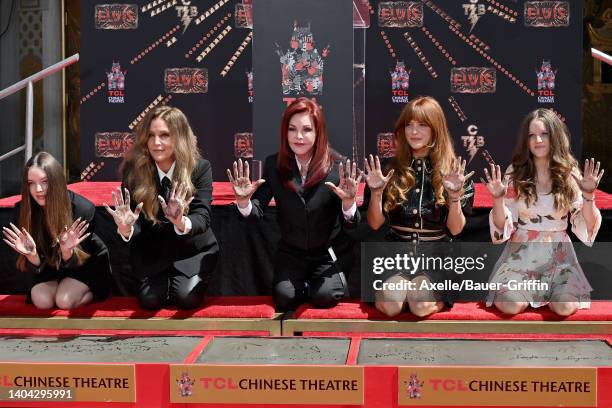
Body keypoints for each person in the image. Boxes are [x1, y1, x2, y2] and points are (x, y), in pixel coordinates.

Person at [227, 97, 361, 311]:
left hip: (327, 254)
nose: (298, 136)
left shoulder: (338, 168)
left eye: (307, 130)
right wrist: (244, 202)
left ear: (319, 133)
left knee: (325, 297)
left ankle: (315, 288)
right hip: (291, 254)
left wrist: (348, 203)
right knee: (284, 298)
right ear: (284, 132)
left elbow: (352, 225)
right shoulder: (274, 164)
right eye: (292, 129)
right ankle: (304, 287)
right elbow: (256, 212)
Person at [483, 108, 603, 316]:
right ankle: (526, 293)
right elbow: (502, 228)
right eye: (532, 135)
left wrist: (589, 196)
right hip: (520, 258)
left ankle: (550, 293)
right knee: (510, 305)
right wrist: (498, 199)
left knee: (564, 307)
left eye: (544, 134)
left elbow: (587, 227)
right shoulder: (515, 172)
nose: (538, 139)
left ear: (555, 136)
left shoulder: (570, 173)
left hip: (559, 258)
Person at [363, 96, 474, 317]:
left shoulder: (454, 172)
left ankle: (433, 297)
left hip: (436, 259)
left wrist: (454, 196)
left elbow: (455, 229)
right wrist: (376, 193)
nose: (414, 131)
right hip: (395, 257)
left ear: (436, 129)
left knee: (420, 303)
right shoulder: (388, 169)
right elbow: (375, 224)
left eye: (422, 125)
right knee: (392, 305)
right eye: (409, 125)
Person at [105, 106, 219, 310]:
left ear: (179, 137)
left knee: (186, 299)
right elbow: (135, 221)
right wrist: (126, 229)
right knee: (150, 302)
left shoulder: (200, 168)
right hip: (152, 255)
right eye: (151, 136)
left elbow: (203, 218)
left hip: (191, 252)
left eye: (165, 135)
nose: (156, 143)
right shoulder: (134, 171)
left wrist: (180, 221)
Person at [3, 152, 112, 309]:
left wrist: (67, 251)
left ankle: (91, 293)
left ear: (57, 182)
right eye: (31, 183)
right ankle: (59, 287)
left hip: (83, 266)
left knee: (64, 301)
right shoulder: (22, 210)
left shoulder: (82, 209)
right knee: (42, 302)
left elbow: (81, 260)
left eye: (44, 182)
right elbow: (35, 266)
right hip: (47, 267)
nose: (38, 189)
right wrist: (32, 256)